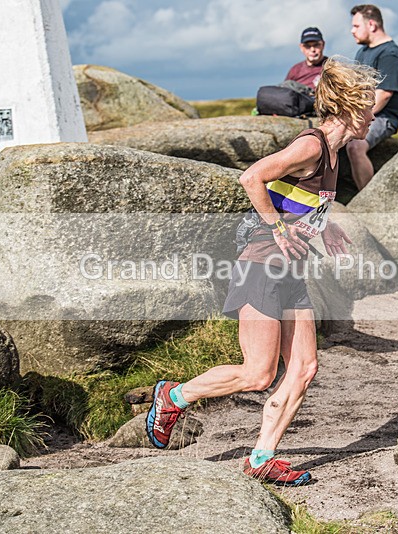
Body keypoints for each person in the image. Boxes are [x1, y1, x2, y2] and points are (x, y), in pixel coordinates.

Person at [145, 57, 380, 486]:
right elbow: (252, 178)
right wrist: (275, 225)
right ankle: (173, 396)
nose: (373, 112)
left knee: (305, 367)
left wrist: (321, 231)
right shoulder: (311, 146)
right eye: (368, 104)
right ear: (348, 105)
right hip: (260, 266)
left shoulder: (336, 152)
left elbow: (299, 200)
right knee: (258, 373)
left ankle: (261, 457)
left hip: (290, 269)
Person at [346, 4, 398, 190]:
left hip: (383, 117)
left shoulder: (391, 55)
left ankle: (368, 204)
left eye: (356, 26)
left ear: (371, 25)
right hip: (363, 112)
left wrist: (357, 119)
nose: (352, 31)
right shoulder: (362, 52)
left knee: (355, 146)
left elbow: (384, 95)